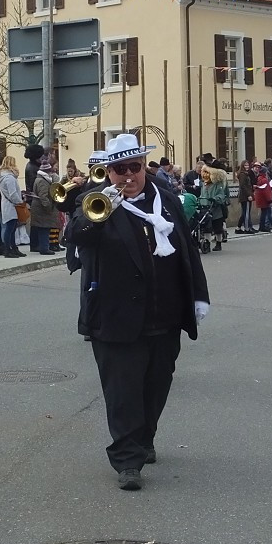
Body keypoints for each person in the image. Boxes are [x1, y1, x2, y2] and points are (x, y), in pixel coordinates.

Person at [66, 134, 209, 491]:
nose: (127, 175)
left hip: (166, 312)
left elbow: (187, 250)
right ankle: (127, 458)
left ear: (144, 167)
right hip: (115, 315)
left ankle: (145, 438)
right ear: (108, 171)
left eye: (134, 167)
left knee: (156, 384)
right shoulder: (94, 201)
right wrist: (101, 213)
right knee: (122, 390)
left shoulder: (167, 200)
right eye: (119, 169)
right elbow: (75, 236)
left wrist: (199, 296)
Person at [0, 155, 25, 258]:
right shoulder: (9, 178)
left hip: (7, 204)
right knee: (10, 229)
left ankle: (12, 248)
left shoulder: (2, 177)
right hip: (12, 205)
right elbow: (12, 194)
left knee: (11, 228)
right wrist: (20, 201)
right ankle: (8, 249)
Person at [30, 160, 59, 255]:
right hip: (42, 209)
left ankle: (42, 247)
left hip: (39, 208)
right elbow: (43, 196)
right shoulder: (42, 181)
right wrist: (49, 208)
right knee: (44, 229)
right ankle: (44, 248)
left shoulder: (41, 179)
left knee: (43, 229)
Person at [199, 162, 228, 251]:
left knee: (217, 226)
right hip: (205, 207)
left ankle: (218, 243)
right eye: (204, 172)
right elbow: (202, 194)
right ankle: (207, 243)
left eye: (207, 173)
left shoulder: (217, 184)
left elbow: (221, 195)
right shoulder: (204, 184)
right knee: (206, 226)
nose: (205, 175)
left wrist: (215, 199)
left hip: (215, 207)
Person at [233, 161, 254, 234]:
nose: (247, 167)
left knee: (244, 212)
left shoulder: (245, 174)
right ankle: (247, 228)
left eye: (248, 165)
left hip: (245, 195)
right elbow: (243, 186)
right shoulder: (243, 175)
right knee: (246, 213)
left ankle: (238, 227)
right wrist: (249, 195)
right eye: (245, 165)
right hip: (245, 196)